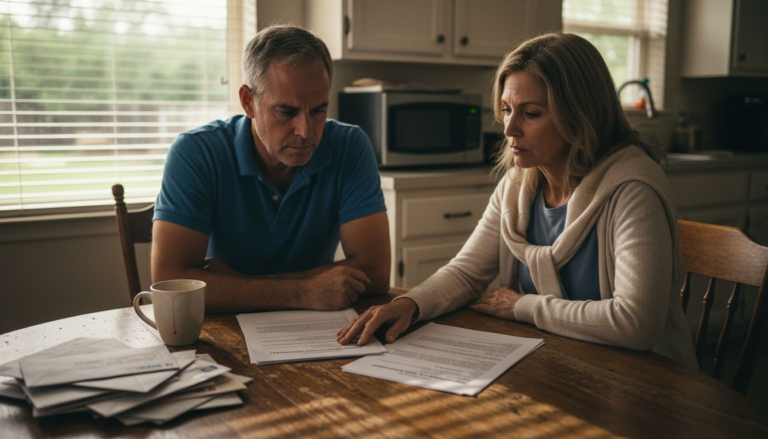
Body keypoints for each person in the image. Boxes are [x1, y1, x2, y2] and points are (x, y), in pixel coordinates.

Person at [337, 33, 698, 368]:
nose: (508, 129)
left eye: (531, 113)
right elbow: (466, 272)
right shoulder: (519, 184)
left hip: (646, 379)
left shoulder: (633, 190)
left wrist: (523, 306)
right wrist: (409, 304)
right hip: (561, 362)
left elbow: (636, 324)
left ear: (580, 114)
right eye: (507, 109)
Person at [151, 25, 390, 312]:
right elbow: (171, 281)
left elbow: (375, 274)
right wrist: (302, 291)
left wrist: (236, 283)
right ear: (248, 102)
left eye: (318, 111)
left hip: (319, 327)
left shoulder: (350, 145)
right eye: (286, 111)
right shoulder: (196, 151)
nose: (306, 131)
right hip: (227, 326)